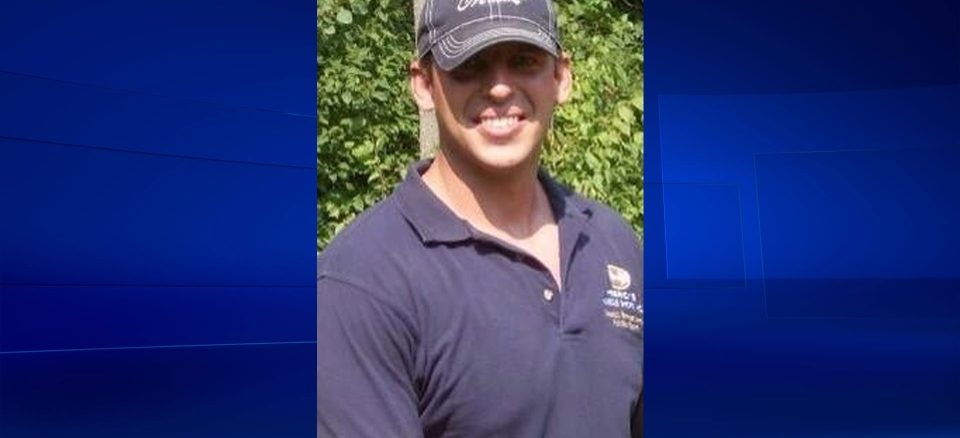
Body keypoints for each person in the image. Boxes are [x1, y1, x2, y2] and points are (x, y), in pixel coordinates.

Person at [317, 0, 643, 436]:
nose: (500, 88)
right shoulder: (363, 283)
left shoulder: (612, 243)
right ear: (423, 84)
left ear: (561, 77)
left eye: (524, 61)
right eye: (470, 65)